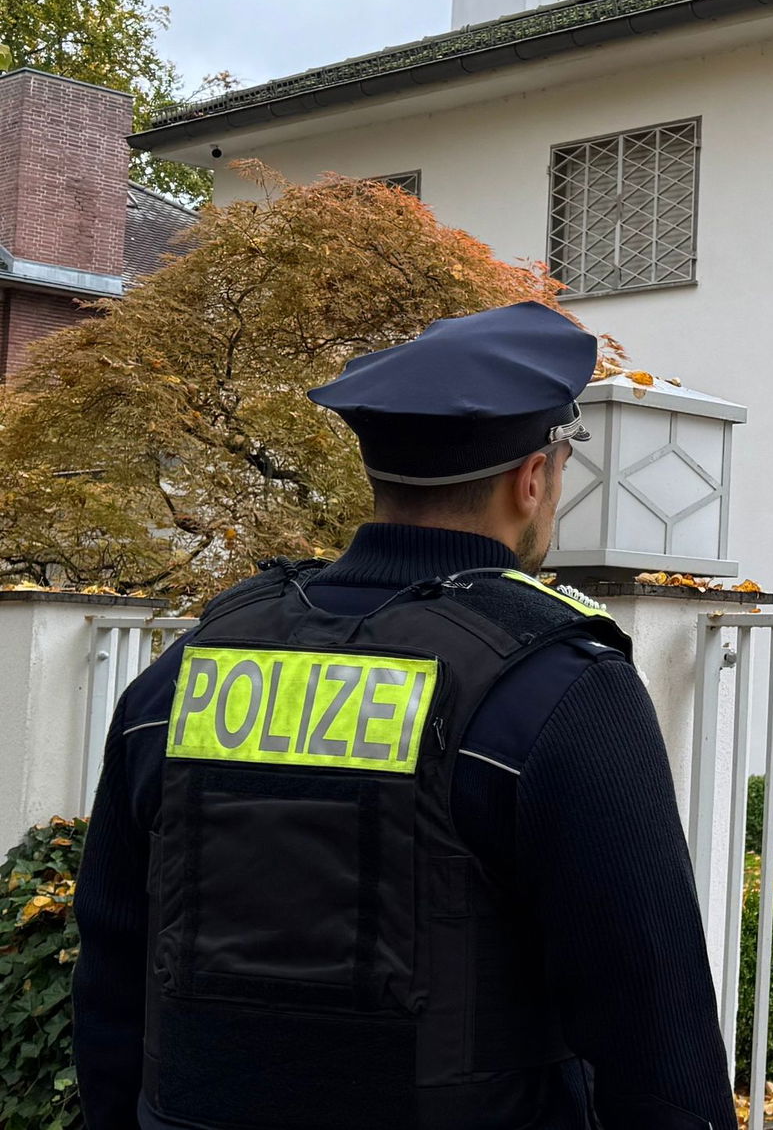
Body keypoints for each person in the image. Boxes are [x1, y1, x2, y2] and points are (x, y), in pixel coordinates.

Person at [73, 301, 739, 1130]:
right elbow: (653, 1032)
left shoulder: (185, 674)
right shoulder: (560, 687)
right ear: (533, 479)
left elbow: (110, 976)